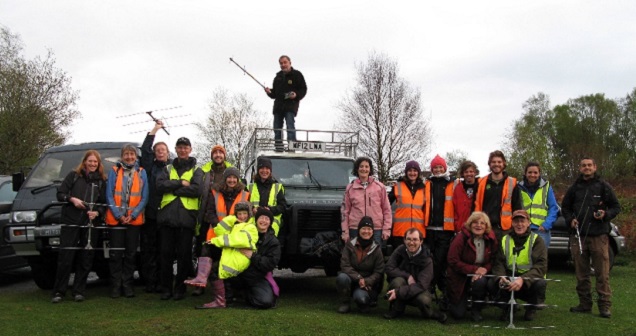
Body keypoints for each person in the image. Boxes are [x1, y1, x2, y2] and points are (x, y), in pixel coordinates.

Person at [561, 157, 620, 318]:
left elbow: (616, 207)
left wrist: (605, 214)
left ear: (594, 167)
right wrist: (569, 220)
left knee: (602, 273)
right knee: (581, 274)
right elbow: (565, 208)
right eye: (583, 166)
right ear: (580, 168)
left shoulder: (604, 187)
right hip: (578, 236)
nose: (586, 168)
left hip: (599, 236)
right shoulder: (574, 188)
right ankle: (585, 304)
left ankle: (604, 306)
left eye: (589, 165)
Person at [51, 150, 107, 303]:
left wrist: (97, 212)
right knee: (66, 256)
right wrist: (72, 199)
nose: (93, 164)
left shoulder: (102, 181)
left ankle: (79, 290)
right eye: (90, 161)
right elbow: (60, 193)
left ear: (99, 163)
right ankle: (59, 291)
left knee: (86, 257)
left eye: (95, 162)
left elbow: (104, 203)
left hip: (90, 224)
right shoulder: (74, 176)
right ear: (84, 161)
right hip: (71, 220)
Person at [156, 137, 203, 300]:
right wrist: (180, 183)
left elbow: (197, 190)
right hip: (167, 219)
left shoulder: (197, 169)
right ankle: (166, 289)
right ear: (175, 149)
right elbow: (160, 186)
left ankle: (180, 289)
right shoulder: (167, 168)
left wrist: (175, 190)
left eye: (186, 147)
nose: (183, 150)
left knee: (184, 257)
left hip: (186, 219)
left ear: (190, 149)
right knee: (166, 255)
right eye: (180, 147)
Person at [105, 144, 149, 298]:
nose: (129, 157)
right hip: (116, 220)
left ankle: (128, 285)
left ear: (136, 156)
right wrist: (118, 215)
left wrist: (134, 214)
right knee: (116, 255)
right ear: (122, 156)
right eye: (126, 154)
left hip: (133, 220)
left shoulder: (141, 172)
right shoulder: (114, 171)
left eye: (132, 154)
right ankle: (116, 286)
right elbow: (109, 195)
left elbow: (144, 197)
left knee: (130, 255)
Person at [195, 202, 258, 309]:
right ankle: (202, 278)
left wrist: (216, 241)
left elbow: (238, 240)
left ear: (249, 214)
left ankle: (222, 300)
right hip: (231, 254)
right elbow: (219, 231)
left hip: (239, 258)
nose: (242, 216)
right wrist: (231, 219)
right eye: (239, 214)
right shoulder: (234, 224)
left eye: (244, 213)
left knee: (216, 269)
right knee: (207, 248)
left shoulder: (251, 226)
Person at [489, 210, 547, 322]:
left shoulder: (537, 240)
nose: (519, 224)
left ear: (528, 223)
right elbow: (498, 262)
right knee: (492, 282)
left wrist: (523, 279)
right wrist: (501, 277)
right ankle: (508, 307)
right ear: (512, 223)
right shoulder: (505, 239)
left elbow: (541, 266)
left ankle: (531, 307)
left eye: (522, 221)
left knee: (540, 283)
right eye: (516, 221)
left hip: (528, 281)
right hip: (510, 279)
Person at [192, 144, 232, 296]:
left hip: (225, 220)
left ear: (224, 155)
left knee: (224, 251)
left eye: (220, 153)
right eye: (215, 153)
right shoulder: (203, 171)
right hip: (205, 217)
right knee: (203, 250)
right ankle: (200, 283)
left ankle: (224, 285)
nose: (218, 155)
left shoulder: (231, 171)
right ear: (211, 156)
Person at [384, 228, 447, 323]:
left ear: (421, 241)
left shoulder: (427, 259)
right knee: (397, 281)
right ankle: (397, 310)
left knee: (423, 300)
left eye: (415, 239)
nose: (411, 242)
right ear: (404, 240)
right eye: (408, 239)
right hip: (404, 283)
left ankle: (430, 313)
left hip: (420, 289)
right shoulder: (400, 250)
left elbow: (422, 285)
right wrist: (407, 276)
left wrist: (399, 292)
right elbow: (388, 267)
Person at [446, 212, 498, 321]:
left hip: (480, 274)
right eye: (475, 222)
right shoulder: (461, 238)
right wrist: (474, 270)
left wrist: (484, 270)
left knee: (481, 282)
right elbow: (452, 260)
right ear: (470, 224)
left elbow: (494, 259)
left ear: (486, 226)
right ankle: (449, 300)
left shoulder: (491, 239)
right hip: (460, 275)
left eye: (482, 223)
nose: (478, 225)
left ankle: (476, 309)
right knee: (458, 314)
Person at [228, 207, 282, 309]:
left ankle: (245, 295)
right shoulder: (244, 234)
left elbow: (269, 264)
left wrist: (252, 256)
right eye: (261, 218)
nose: (263, 221)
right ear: (256, 220)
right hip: (239, 273)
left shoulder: (273, 242)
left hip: (258, 278)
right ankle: (230, 294)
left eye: (267, 219)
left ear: (270, 223)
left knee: (265, 302)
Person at [139, 120, 169, 293]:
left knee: (163, 251)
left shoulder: (172, 168)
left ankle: (162, 281)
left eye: (163, 150)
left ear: (167, 153)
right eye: (157, 151)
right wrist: (155, 129)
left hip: (166, 216)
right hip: (150, 215)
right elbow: (145, 150)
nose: (160, 153)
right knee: (149, 250)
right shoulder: (149, 168)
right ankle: (149, 282)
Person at [423, 154, 458, 299]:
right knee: (429, 259)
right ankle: (431, 286)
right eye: (435, 167)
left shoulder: (453, 183)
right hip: (428, 229)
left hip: (445, 230)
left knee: (441, 260)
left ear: (445, 168)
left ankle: (439, 285)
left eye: (440, 167)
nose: (437, 170)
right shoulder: (426, 183)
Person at [336, 216, 385, 314]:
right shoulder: (349, 245)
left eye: (369, 229)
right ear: (359, 230)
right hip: (351, 279)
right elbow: (345, 265)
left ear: (372, 231)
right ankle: (345, 303)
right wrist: (359, 278)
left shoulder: (377, 249)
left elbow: (379, 271)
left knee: (361, 300)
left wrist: (367, 281)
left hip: (366, 284)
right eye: (363, 229)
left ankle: (364, 301)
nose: (366, 231)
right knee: (342, 277)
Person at [341, 157, 392, 245]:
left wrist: (386, 229)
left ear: (370, 169)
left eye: (366, 166)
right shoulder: (350, 188)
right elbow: (345, 212)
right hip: (355, 229)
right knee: (355, 256)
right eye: (361, 166)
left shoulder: (380, 187)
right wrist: (345, 231)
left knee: (375, 256)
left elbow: (387, 210)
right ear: (357, 169)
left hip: (376, 229)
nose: (364, 169)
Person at [474, 150, 522, 239]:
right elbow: (476, 205)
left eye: (499, 162)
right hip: (485, 228)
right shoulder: (481, 182)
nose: (496, 164)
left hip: (506, 229)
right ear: (489, 164)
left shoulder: (512, 183)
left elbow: (517, 207)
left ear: (504, 163)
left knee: (505, 253)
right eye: (493, 162)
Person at [264, 55, 307, 149]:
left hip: (290, 106)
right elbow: (274, 94)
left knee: (290, 125)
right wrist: (269, 92)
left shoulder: (297, 75)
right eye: (281, 63)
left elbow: (303, 89)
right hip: (278, 107)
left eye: (285, 62)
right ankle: (278, 146)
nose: (283, 65)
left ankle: (292, 146)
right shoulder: (278, 77)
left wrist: (296, 95)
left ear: (290, 63)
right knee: (277, 128)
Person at [517, 162, 558, 248]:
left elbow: (553, 208)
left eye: (535, 172)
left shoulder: (546, 186)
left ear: (539, 174)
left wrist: (546, 225)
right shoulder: (518, 187)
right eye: (530, 172)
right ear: (525, 173)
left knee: (540, 259)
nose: (532, 175)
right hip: (523, 229)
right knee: (523, 259)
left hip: (541, 230)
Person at [388, 160, 425, 247]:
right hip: (400, 232)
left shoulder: (424, 188)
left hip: (418, 232)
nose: (412, 173)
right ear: (406, 172)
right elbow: (385, 204)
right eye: (410, 170)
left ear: (418, 172)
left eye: (415, 170)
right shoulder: (397, 186)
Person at [247, 157, 287, 236]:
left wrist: (270, 210)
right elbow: (244, 205)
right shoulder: (249, 187)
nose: (264, 171)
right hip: (252, 226)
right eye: (262, 168)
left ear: (270, 171)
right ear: (258, 170)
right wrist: (252, 209)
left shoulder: (277, 187)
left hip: (271, 227)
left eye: (267, 168)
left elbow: (282, 206)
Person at [452, 160, 479, 233]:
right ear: (462, 174)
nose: (469, 174)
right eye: (466, 172)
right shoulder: (457, 188)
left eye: (471, 171)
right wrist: (456, 223)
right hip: (461, 227)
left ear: (475, 172)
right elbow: (454, 207)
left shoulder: (481, 186)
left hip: (478, 227)